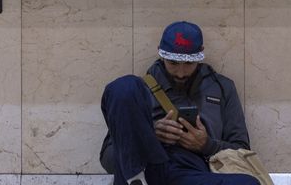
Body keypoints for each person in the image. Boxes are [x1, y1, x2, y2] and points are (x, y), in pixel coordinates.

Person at [100, 21, 259, 185]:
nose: (181, 73)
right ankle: (135, 179)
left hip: (191, 174)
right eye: (173, 63)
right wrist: (147, 136)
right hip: (144, 169)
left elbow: (242, 152)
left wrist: (206, 145)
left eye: (189, 63)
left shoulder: (222, 87)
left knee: (248, 183)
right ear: (161, 55)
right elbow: (108, 157)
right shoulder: (139, 91)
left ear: (200, 54)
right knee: (124, 86)